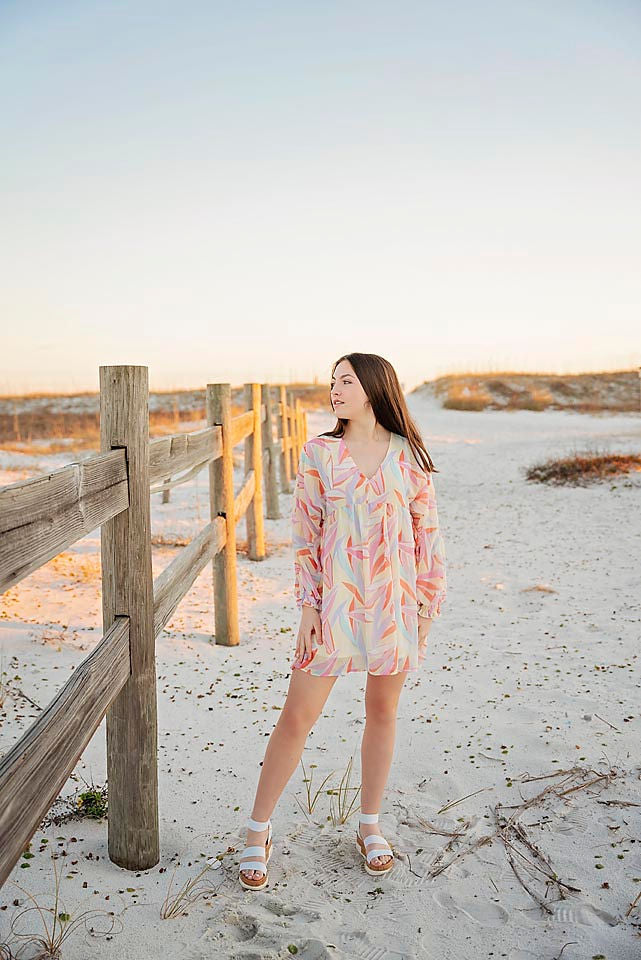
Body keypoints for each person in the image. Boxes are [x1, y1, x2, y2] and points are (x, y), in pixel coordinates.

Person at [238, 352, 447, 890]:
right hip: (333, 608)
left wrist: (426, 609)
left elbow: (429, 542)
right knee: (297, 716)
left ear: (376, 388)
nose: (334, 389)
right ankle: (256, 832)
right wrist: (307, 606)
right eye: (332, 381)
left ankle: (370, 825)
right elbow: (305, 537)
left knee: (383, 712)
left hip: (394, 605)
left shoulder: (410, 459)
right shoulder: (319, 454)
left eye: (346, 381)